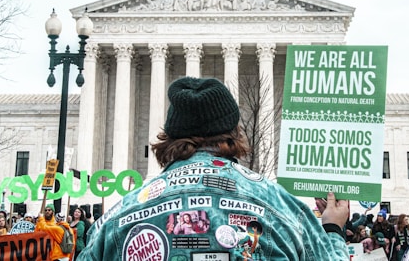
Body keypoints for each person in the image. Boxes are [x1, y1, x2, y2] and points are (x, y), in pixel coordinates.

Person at [79, 77, 349, 260]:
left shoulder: (118, 217)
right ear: (234, 132)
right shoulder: (285, 209)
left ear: (170, 136)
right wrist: (333, 229)